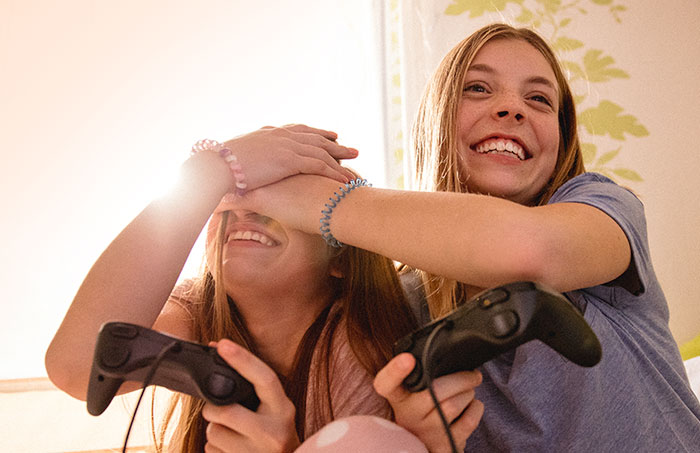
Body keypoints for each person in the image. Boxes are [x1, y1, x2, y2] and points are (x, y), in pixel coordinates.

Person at [230, 24, 700, 451]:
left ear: (560, 140)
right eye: (477, 88)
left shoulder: (602, 209)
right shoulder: (395, 304)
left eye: (539, 100)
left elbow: (527, 250)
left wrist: (314, 198)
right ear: (437, 121)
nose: (513, 107)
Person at [44, 125, 484, 452]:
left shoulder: (364, 346)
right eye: (232, 197)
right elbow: (79, 366)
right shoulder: (200, 312)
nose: (245, 208)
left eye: (278, 198)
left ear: (341, 260)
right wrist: (208, 173)